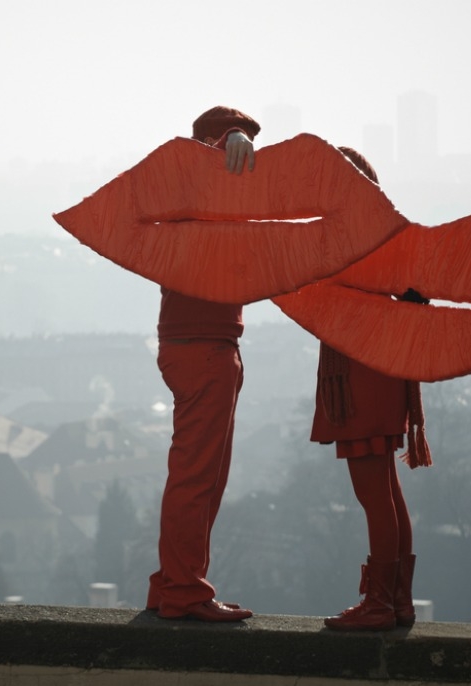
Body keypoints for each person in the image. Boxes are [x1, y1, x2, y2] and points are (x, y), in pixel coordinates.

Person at [145, 106, 260, 622]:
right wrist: (230, 139)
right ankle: (185, 591)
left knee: (202, 476)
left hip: (202, 343)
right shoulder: (196, 190)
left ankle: (174, 584)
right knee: (196, 477)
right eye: (240, 150)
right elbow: (201, 157)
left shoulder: (189, 198)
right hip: (203, 347)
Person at [313, 147, 433, 631]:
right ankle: (399, 600)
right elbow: (417, 294)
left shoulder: (344, 240)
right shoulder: (387, 234)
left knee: (374, 494)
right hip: (384, 370)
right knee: (387, 490)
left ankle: (380, 603)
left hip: (356, 374)